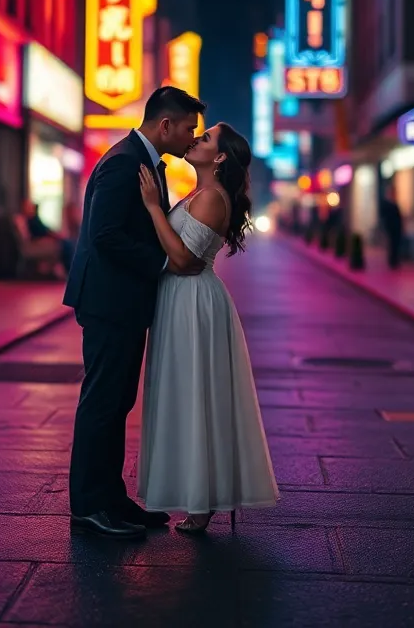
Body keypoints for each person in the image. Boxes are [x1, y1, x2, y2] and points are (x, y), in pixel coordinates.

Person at [64, 86, 206, 539]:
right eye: (188, 129)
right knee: (103, 401)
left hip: (123, 301)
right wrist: (165, 262)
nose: (191, 137)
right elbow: (105, 234)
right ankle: (89, 506)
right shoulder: (124, 162)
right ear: (165, 124)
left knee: (118, 401)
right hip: (108, 301)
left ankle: (111, 498)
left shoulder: (142, 161)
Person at [137, 122, 278, 533]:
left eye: (206, 138)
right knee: (186, 393)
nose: (196, 138)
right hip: (180, 299)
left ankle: (202, 503)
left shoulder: (213, 198)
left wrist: (153, 208)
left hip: (193, 299)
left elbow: (184, 260)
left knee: (195, 392)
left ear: (218, 157)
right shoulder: (200, 194)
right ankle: (199, 496)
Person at [21, 199, 73, 273]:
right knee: (67, 245)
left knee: (68, 244)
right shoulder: (31, 220)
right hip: (43, 241)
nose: (31, 207)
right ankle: (70, 270)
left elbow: (45, 229)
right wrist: (57, 236)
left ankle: (70, 270)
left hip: (47, 239)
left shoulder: (34, 219)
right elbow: (45, 231)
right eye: (29, 206)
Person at [380, 184, 404, 269]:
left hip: (396, 228)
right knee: (392, 244)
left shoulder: (394, 203)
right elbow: (385, 217)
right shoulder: (387, 204)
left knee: (395, 244)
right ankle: (393, 261)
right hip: (391, 227)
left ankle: (394, 260)